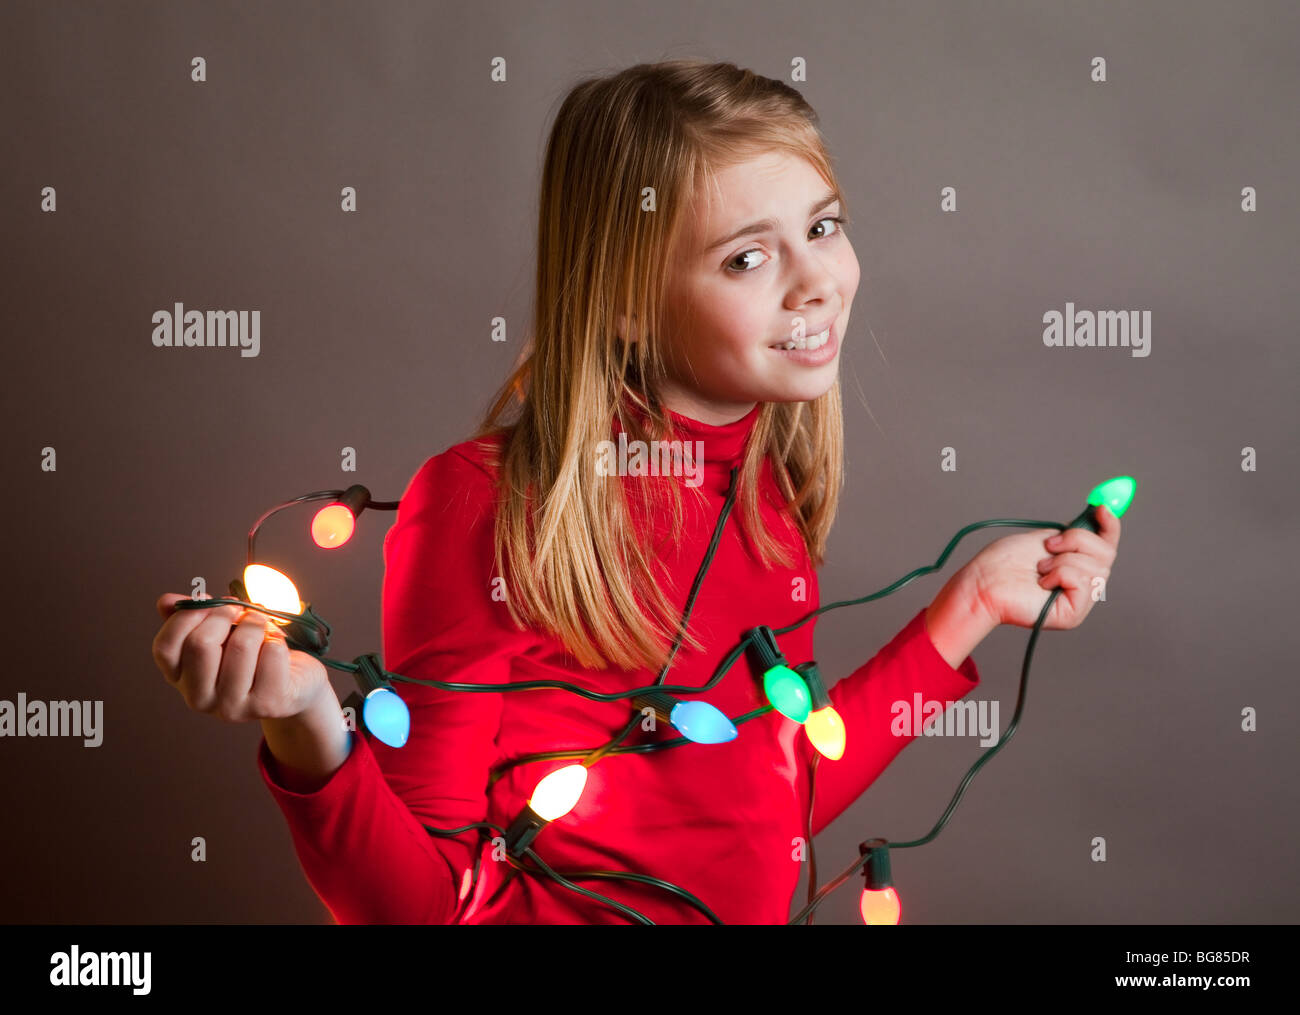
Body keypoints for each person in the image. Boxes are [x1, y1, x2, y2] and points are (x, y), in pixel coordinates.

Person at [151, 59, 1121, 924]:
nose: (815, 280)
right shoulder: (487, 505)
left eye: (822, 227)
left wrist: (974, 604)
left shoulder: (765, 493)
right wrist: (309, 728)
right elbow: (419, 906)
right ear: (623, 296)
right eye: (747, 256)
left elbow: (767, 804)